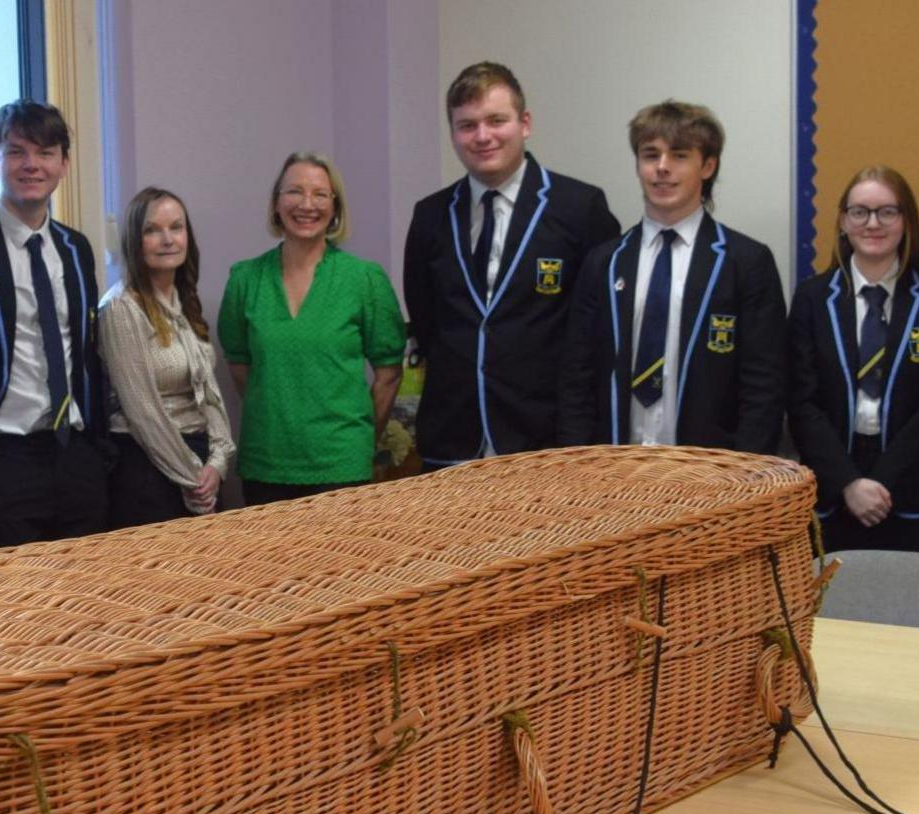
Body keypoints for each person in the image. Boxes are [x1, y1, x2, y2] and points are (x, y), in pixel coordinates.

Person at [403, 61, 619, 465]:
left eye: (496, 120)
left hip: (547, 440)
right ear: (452, 133)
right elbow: (428, 322)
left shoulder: (579, 208)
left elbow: (600, 333)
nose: (482, 136)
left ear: (525, 123)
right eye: (467, 125)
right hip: (452, 437)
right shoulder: (430, 216)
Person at [559, 101, 786, 452]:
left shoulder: (746, 262)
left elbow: (764, 388)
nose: (662, 168)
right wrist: (579, 463)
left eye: (679, 155)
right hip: (614, 471)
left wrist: (742, 476)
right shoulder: (603, 262)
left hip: (711, 474)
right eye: (651, 155)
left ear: (707, 166)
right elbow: (577, 377)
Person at [0, 100, 111, 547]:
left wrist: (96, 450)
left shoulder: (76, 248)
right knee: (13, 607)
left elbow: (87, 352)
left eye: (46, 152)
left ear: (64, 164)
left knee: (84, 601)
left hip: (73, 454)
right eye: (16, 151)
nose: (31, 164)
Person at [787, 167, 919, 555]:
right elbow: (802, 402)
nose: (872, 224)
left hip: (915, 488)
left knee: (913, 612)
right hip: (833, 485)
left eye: (887, 212)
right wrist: (850, 483)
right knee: (832, 611)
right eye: (860, 212)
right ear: (843, 220)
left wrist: (881, 484)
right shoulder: (812, 299)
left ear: (906, 220)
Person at [218, 152, 405, 505]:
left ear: (335, 207)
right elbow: (240, 367)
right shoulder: (245, 279)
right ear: (276, 203)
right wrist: (281, 408)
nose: (307, 204)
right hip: (266, 462)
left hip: (341, 464)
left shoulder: (364, 279)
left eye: (320, 194)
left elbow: (389, 373)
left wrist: (361, 438)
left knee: (345, 562)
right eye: (294, 192)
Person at [99, 187, 234, 525]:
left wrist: (217, 461)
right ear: (134, 239)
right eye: (152, 230)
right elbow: (143, 412)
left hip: (200, 464)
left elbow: (209, 395)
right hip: (148, 470)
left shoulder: (184, 303)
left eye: (176, 227)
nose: (167, 239)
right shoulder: (120, 308)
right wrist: (192, 477)